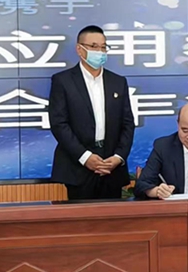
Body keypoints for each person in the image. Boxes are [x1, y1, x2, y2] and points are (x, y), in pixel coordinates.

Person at [49, 25, 134, 200]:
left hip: (111, 167)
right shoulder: (63, 81)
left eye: (103, 47)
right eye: (94, 47)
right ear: (80, 49)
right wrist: (85, 157)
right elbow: (59, 124)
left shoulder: (118, 82)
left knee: (113, 216)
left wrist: (118, 157)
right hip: (78, 167)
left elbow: (127, 123)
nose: (100, 52)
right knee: (81, 217)